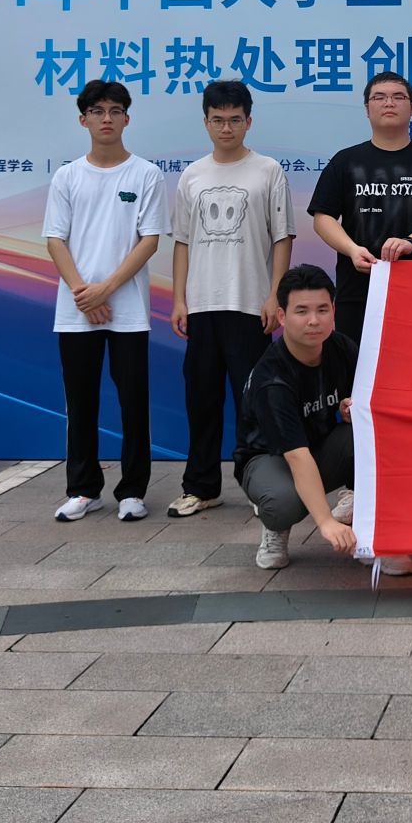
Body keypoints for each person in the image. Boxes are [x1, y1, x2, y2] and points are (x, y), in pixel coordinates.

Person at [42, 80, 170, 523]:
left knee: (134, 403)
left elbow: (149, 240)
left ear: (127, 118)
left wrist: (106, 289)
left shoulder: (145, 174)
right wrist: (85, 293)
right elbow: (55, 239)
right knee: (80, 402)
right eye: (97, 111)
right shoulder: (68, 176)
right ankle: (83, 489)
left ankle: (132, 491)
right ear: (84, 120)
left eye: (115, 111)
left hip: (127, 311)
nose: (107, 119)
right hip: (76, 310)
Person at [233, 265, 412, 576]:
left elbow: (371, 399)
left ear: (333, 311)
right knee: (283, 502)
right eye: (301, 311)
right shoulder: (272, 379)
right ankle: (275, 527)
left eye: (322, 309)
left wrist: (351, 407)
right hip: (269, 458)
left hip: (319, 445)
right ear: (282, 317)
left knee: (378, 435)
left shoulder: (341, 348)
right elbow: (296, 456)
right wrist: (326, 522)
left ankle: (370, 535)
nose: (314, 320)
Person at [167, 81, 295, 518]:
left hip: (250, 306)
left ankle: (262, 489)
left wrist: (275, 296)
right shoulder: (193, 175)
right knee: (201, 401)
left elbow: (282, 237)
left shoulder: (268, 171)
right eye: (218, 120)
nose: (226, 127)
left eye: (235, 119)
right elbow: (182, 242)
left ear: (248, 121)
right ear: (206, 122)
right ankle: (201, 487)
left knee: (254, 404)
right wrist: (179, 299)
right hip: (202, 306)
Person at [309, 72, 412, 344]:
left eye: (398, 97)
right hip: (357, 288)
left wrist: (411, 242)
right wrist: (352, 249)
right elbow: (323, 218)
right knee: (355, 362)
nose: (389, 103)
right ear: (367, 109)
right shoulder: (345, 161)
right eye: (379, 97)